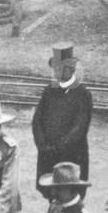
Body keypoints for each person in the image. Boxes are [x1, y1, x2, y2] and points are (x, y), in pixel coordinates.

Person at [31, 43, 92, 193]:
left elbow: (80, 127)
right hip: (47, 154)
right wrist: (42, 144)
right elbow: (37, 120)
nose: (55, 72)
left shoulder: (82, 94)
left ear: (70, 69)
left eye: (59, 68)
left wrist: (60, 146)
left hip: (70, 156)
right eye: (55, 69)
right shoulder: (49, 91)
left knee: (68, 191)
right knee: (50, 191)